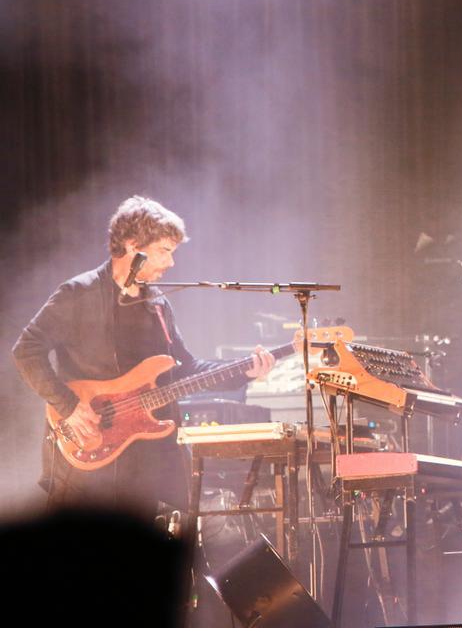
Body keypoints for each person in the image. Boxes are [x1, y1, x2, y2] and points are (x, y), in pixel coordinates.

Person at [13, 195, 276, 517]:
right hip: (88, 446)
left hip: (143, 462)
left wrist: (245, 371)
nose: (171, 263)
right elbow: (26, 349)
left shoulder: (158, 304)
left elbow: (186, 368)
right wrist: (68, 405)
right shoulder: (78, 293)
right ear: (132, 245)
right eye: (164, 251)